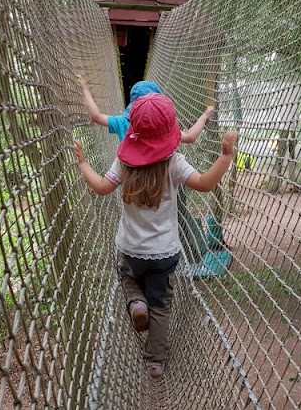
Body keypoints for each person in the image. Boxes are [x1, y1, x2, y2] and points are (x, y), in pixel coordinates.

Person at [73, 93, 238, 379]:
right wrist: (225, 156)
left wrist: (84, 163)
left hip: (130, 249)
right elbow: (205, 184)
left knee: (127, 278)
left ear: (132, 127)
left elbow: (101, 187)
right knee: (160, 305)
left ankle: (136, 302)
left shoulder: (123, 161)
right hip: (164, 253)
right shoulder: (174, 161)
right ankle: (155, 360)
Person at [76, 74, 213, 143]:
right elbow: (190, 137)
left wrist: (85, 89)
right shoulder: (165, 128)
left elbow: (96, 116)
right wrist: (205, 115)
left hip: (128, 187)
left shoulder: (123, 122)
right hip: (155, 190)